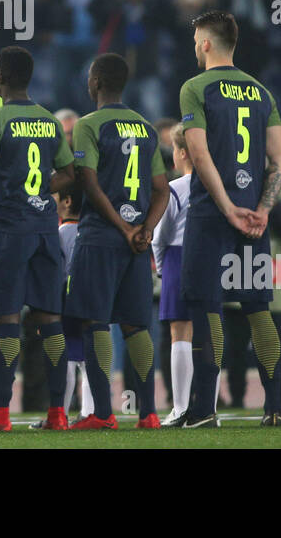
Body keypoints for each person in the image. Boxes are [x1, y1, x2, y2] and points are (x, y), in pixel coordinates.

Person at [179, 11, 281, 427]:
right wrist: (263, 208)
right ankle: (274, 407)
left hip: (212, 215)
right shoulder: (261, 92)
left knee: (208, 308)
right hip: (255, 220)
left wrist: (227, 207)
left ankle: (205, 409)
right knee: (258, 309)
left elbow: (200, 154)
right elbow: (280, 156)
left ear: (206, 43)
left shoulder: (195, 88)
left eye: (196, 41)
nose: (194, 47)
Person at [0, 46, 75, 432]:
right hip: (46, 228)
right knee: (51, 320)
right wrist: (42, 189)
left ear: (0, 77)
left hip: (11, 228)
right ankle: (58, 413)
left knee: (7, 319)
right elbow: (69, 172)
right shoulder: (49, 121)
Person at [64, 53, 168, 430]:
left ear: (95, 83)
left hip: (100, 237)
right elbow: (162, 190)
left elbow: (88, 182)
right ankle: (149, 414)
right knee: (136, 326)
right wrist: (145, 228)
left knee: (96, 323)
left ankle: (104, 413)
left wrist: (123, 229)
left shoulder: (88, 125)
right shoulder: (146, 127)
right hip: (136, 244)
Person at [153, 123, 194, 427]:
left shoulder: (174, 188)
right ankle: (208, 409)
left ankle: (180, 407)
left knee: (179, 334)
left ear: (181, 152)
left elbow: (160, 235)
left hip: (177, 257)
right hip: (211, 259)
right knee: (208, 335)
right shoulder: (215, 185)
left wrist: (160, 266)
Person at [54, 186, 93, 424]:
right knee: (91, 356)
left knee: (66, 356)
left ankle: (61, 413)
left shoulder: (60, 234)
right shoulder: (91, 232)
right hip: (93, 298)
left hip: (66, 299)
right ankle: (90, 412)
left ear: (67, 201)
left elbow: (57, 273)